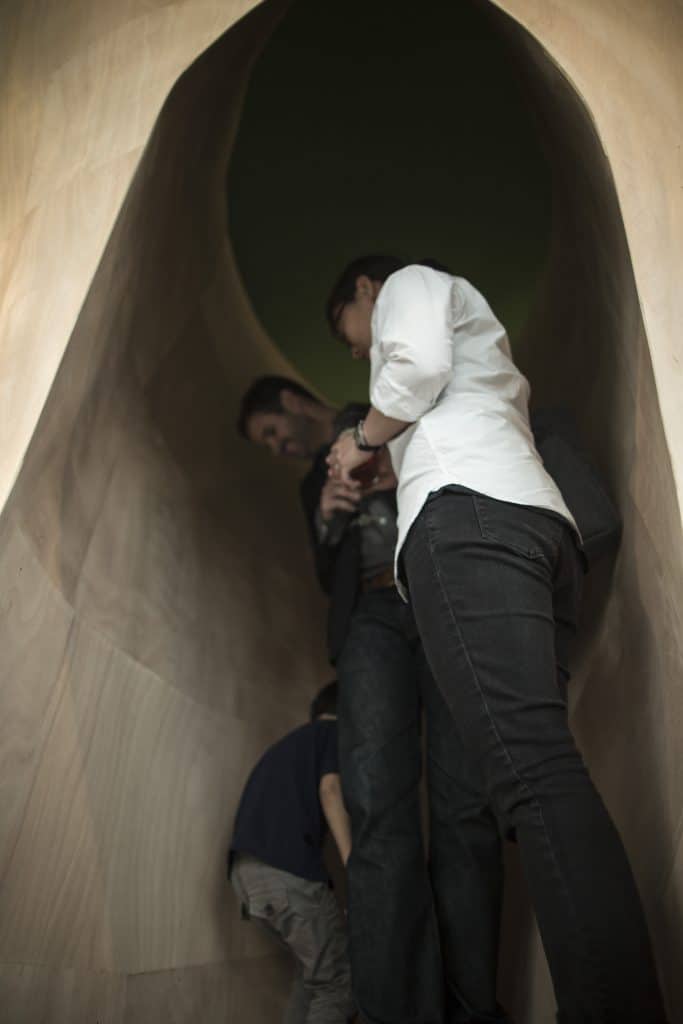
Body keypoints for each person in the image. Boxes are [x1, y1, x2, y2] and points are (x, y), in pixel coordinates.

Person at [326, 254, 668, 1024]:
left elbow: (415, 367)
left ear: (364, 290)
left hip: (468, 522)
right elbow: (450, 404)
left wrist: (358, 439)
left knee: (534, 779)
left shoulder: (407, 283)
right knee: (540, 776)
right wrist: (390, 462)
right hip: (531, 530)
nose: (356, 349)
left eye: (349, 334)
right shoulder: (477, 335)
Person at [238, 376, 510, 1024]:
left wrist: (394, 461)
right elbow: (324, 574)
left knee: (466, 808)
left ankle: (472, 1010)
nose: (278, 448)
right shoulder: (311, 482)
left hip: (439, 590)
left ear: (294, 402)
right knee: (377, 814)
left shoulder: (389, 411)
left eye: (273, 433)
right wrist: (327, 518)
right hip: (368, 617)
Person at [228, 681, 355, 1024]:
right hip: (287, 878)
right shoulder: (333, 734)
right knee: (338, 984)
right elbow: (331, 789)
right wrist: (353, 863)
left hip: (247, 880)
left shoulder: (289, 746)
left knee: (313, 979)